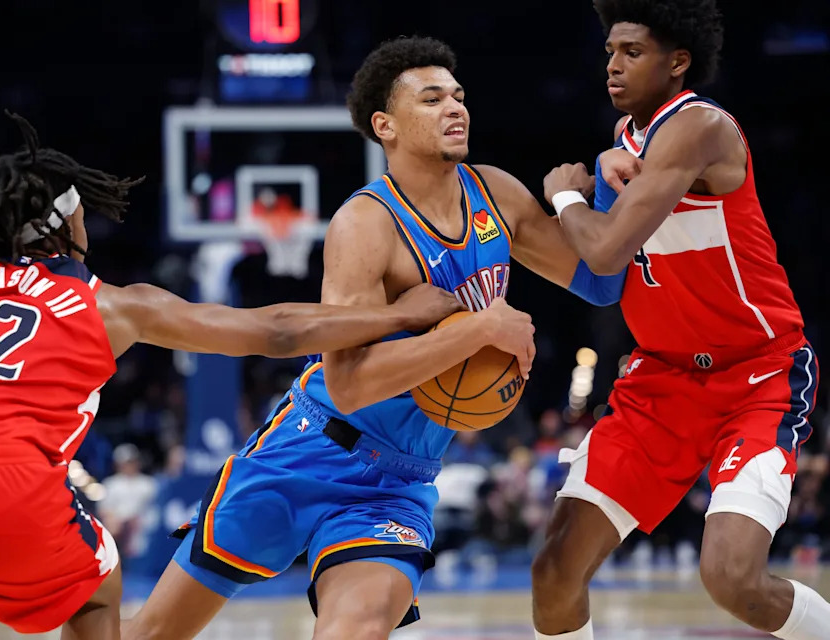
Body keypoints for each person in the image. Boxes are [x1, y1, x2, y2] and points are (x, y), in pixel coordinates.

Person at [0, 111, 471, 640]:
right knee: (97, 588)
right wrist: (398, 314)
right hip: (0, 487)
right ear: (66, 223)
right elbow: (275, 331)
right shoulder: (110, 304)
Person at [125, 36, 624, 640]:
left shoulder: (495, 192)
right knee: (152, 634)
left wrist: (586, 192)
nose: (455, 108)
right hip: (311, 451)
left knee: (355, 631)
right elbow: (350, 382)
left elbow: (600, 283)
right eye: (432, 98)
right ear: (384, 125)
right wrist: (479, 330)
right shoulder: (364, 224)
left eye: (459, 96)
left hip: (400, 482)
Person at [535, 1, 829, 638]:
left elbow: (607, 248)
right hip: (662, 381)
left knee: (732, 578)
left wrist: (564, 194)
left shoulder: (699, 126)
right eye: (609, 51)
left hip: (758, 373)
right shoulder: (629, 138)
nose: (612, 66)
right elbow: (622, 242)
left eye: (632, 53)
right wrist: (607, 163)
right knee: (555, 572)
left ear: (678, 62)